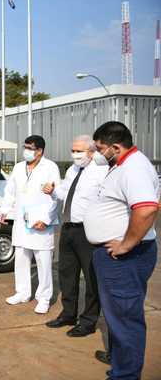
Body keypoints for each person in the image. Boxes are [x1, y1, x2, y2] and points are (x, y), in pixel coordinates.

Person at [83, 121, 159, 380]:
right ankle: (120, 360)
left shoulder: (134, 168)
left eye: (101, 148)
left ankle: (125, 374)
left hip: (124, 257)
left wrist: (127, 243)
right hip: (113, 256)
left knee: (125, 318)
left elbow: (147, 208)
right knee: (116, 314)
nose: (97, 154)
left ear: (116, 146)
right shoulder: (122, 165)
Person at [42, 135, 108, 337]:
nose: (75, 154)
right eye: (73, 150)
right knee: (67, 273)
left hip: (89, 230)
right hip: (69, 227)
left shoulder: (101, 172)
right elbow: (65, 192)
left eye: (79, 151)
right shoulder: (72, 170)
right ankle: (68, 314)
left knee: (91, 278)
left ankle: (88, 321)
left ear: (91, 151)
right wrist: (53, 191)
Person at [0, 135, 60, 314]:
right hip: (21, 220)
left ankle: (44, 297)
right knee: (21, 258)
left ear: (40, 151)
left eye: (30, 147)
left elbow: (55, 197)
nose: (26, 151)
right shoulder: (18, 167)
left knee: (43, 261)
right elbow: (10, 191)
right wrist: (4, 210)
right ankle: (23, 292)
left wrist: (47, 219)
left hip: (41, 222)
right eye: (24, 147)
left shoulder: (50, 167)